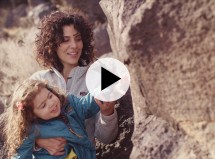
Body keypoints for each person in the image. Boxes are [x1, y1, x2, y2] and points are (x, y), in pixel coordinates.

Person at [30, 9, 118, 156]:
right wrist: (38, 141)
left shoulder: (98, 77)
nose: (74, 45)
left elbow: (106, 138)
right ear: (52, 44)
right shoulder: (38, 80)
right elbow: (17, 123)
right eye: (65, 40)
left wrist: (107, 113)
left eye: (78, 38)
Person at [4, 79, 115, 159]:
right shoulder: (32, 129)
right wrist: (36, 143)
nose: (51, 103)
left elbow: (86, 105)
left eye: (50, 96)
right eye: (43, 105)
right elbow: (21, 155)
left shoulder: (69, 104)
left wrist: (100, 92)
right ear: (32, 115)